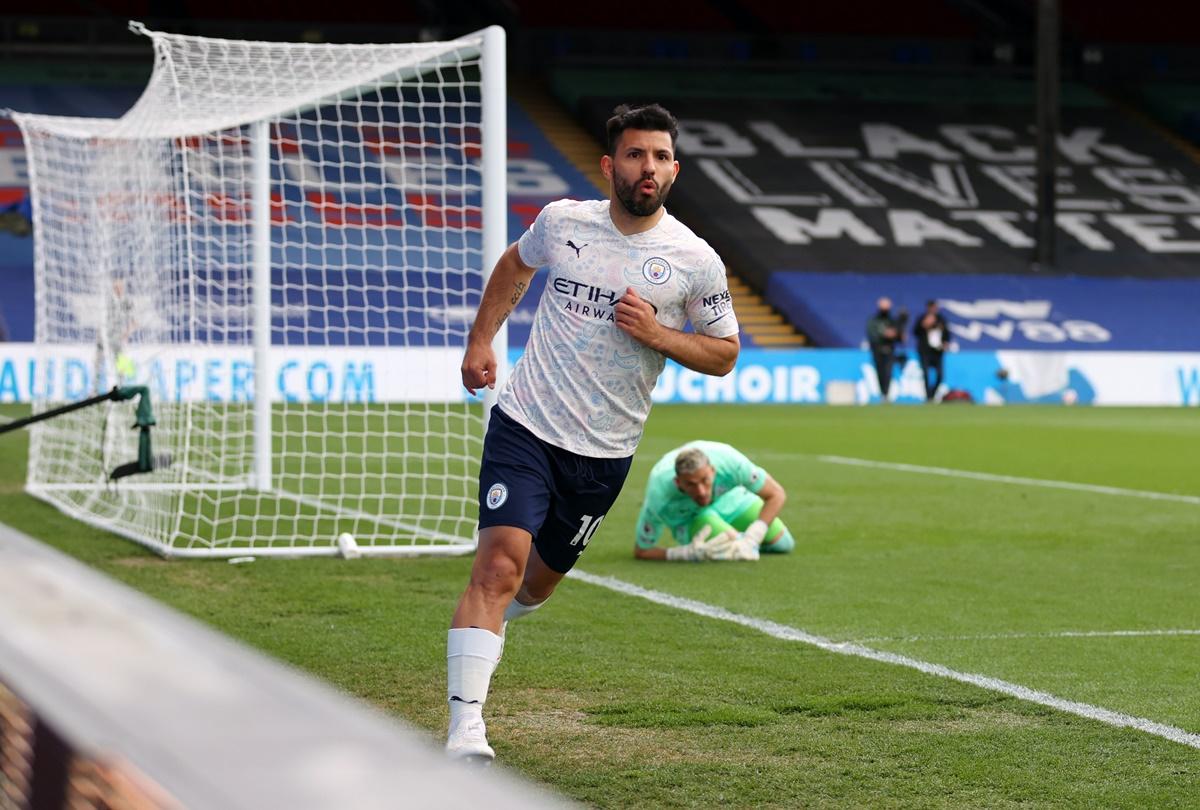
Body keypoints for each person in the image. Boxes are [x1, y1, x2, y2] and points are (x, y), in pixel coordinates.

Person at [448, 103, 740, 763]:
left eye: (662, 157)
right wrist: (481, 338)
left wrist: (659, 334)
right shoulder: (563, 222)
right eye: (637, 155)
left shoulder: (693, 260)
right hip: (526, 423)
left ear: (675, 169)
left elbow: (725, 354)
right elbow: (514, 267)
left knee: (535, 585)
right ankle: (466, 731)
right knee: (497, 566)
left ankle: (487, 630)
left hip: (604, 453)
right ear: (611, 165)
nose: (650, 168)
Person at [633, 442, 794, 562]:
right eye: (691, 484)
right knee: (735, 549)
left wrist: (753, 537)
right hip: (691, 517)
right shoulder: (659, 492)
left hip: (731, 500)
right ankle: (735, 537)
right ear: (678, 483)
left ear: (713, 471)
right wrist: (683, 553)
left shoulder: (731, 463)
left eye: (705, 480)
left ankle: (741, 537)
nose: (701, 491)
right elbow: (642, 551)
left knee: (783, 544)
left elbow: (776, 494)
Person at [865, 297, 905, 401]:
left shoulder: (892, 320)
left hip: (889, 349)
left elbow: (899, 337)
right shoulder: (874, 320)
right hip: (877, 349)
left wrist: (898, 335)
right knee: (880, 371)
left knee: (888, 372)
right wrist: (884, 334)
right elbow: (871, 333)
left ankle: (886, 393)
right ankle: (883, 393)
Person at [913, 299, 951, 402]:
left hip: (938, 352)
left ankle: (932, 393)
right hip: (925, 351)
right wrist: (924, 325)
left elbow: (947, 334)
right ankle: (928, 397)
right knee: (925, 374)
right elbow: (915, 332)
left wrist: (945, 343)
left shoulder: (941, 319)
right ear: (928, 308)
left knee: (940, 375)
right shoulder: (922, 318)